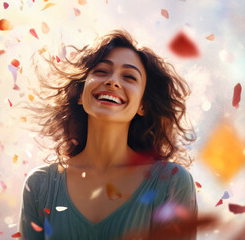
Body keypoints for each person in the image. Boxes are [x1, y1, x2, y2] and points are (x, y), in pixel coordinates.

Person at [18, 29, 198, 240]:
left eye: (129, 77)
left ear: (142, 105)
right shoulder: (41, 185)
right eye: (102, 71)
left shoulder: (171, 183)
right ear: (80, 95)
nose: (113, 81)